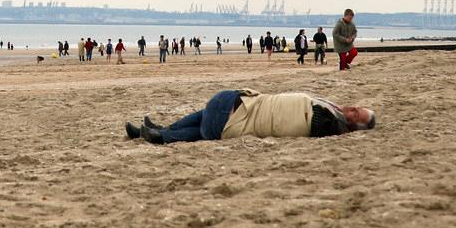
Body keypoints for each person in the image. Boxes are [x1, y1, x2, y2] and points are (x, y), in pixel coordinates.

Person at [125, 89, 376, 144]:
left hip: (242, 113)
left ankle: (161, 135)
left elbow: (304, 119)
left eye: (356, 114)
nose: (352, 108)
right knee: (207, 122)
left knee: (210, 122)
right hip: (239, 109)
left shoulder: (329, 122)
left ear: (354, 127)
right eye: (357, 107)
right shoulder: (332, 109)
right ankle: (157, 131)